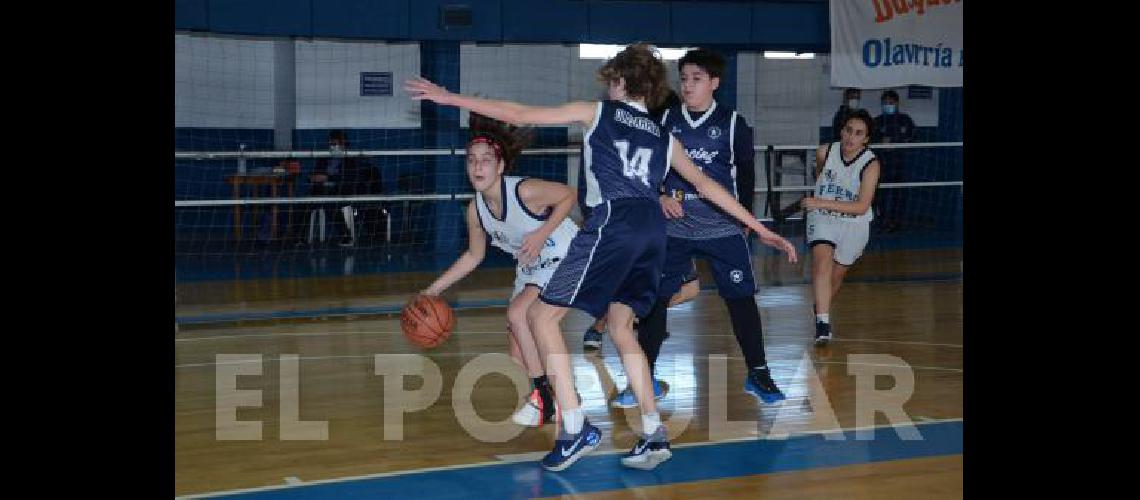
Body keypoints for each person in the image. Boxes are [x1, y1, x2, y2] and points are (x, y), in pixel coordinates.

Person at [406, 43, 797, 472]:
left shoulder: (598, 113)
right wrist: (761, 228)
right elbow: (709, 186)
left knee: (540, 319)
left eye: (611, 79)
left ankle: (574, 427)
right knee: (620, 325)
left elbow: (518, 114)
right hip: (653, 231)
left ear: (619, 82)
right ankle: (653, 434)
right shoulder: (663, 136)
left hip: (615, 221)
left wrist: (448, 98)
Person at [621, 48, 784, 409]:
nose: (688, 85)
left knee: (741, 300)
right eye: (684, 78)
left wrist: (745, 220)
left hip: (722, 227)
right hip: (675, 226)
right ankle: (643, 376)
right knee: (654, 298)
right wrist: (661, 194)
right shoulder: (665, 120)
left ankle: (758, 372)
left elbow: (746, 175)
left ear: (714, 83)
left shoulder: (733, 124)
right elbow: (649, 168)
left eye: (697, 78)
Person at [420, 113, 577, 427]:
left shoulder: (524, 191)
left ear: (501, 166)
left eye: (486, 160)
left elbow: (568, 195)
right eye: (471, 161)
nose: (478, 167)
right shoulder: (475, 209)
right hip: (532, 266)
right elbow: (474, 256)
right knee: (518, 353)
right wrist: (433, 290)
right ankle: (563, 396)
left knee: (519, 314)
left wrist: (542, 232)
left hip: (565, 254)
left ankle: (547, 399)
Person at [803, 109, 881, 346]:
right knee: (822, 262)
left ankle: (821, 307)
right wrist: (820, 203)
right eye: (848, 130)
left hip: (854, 222)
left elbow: (861, 206)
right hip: (823, 218)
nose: (851, 137)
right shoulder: (825, 152)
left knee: (836, 276)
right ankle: (823, 324)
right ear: (841, 130)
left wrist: (819, 201)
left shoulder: (871, 164)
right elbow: (820, 175)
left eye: (858, 134)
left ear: (866, 139)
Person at [871, 89, 915, 233]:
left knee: (899, 194)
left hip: (900, 164)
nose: (888, 105)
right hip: (882, 164)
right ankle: (882, 221)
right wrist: (881, 143)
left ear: (896, 103)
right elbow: (870, 140)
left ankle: (898, 222)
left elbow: (913, 136)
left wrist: (896, 142)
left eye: (891, 103)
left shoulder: (905, 120)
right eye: (885, 103)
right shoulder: (877, 121)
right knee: (880, 195)